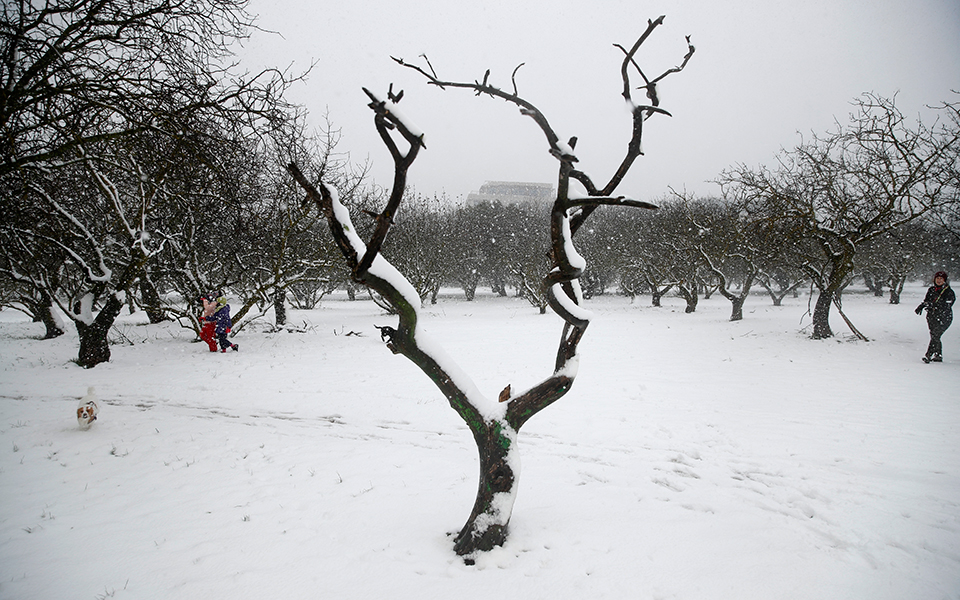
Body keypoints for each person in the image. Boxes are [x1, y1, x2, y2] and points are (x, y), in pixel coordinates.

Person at [916, 271, 954, 363]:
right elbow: (927, 300)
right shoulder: (931, 290)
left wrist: (933, 305)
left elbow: (947, 305)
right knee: (934, 335)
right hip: (932, 317)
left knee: (935, 335)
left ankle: (928, 355)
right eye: (937, 278)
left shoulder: (948, 292)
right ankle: (938, 355)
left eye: (941, 279)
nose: (939, 280)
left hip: (944, 318)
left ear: (945, 280)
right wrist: (922, 306)